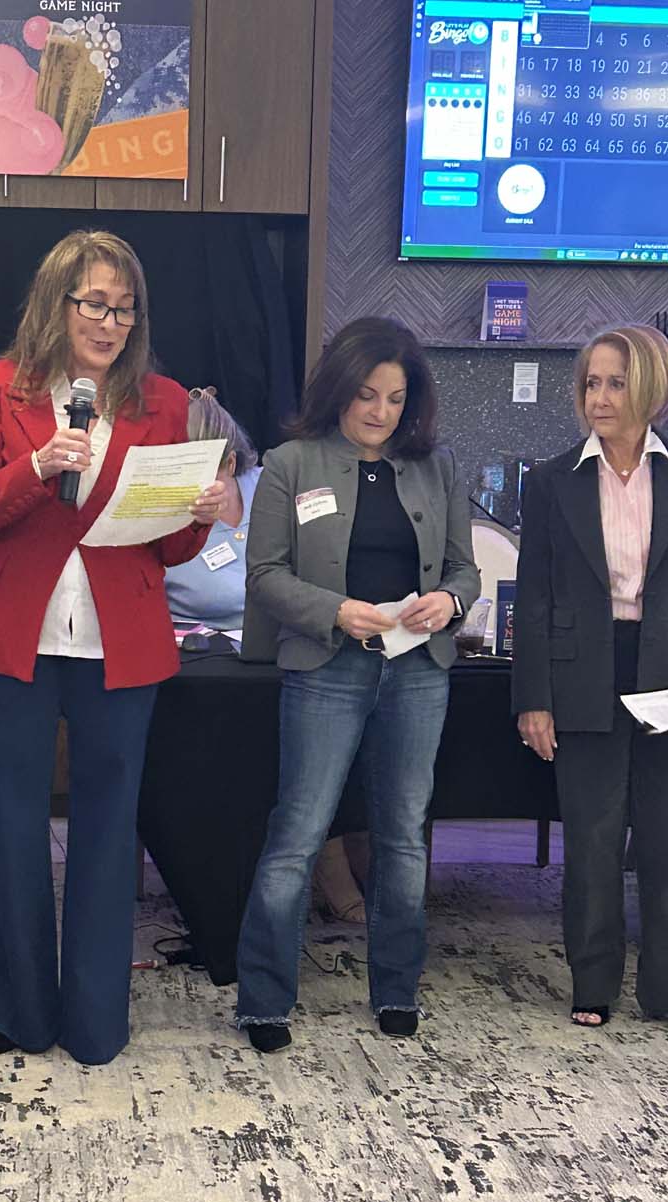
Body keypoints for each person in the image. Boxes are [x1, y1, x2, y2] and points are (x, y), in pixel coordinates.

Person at [0, 230, 227, 1067]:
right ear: (57, 303)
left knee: (108, 832)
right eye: (95, 305)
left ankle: (97, 1019)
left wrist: (200, 513)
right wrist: (36, 466)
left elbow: (170, 550)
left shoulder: (164, 402)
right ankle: (11, 1010)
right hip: (16, 638)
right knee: (11, 824)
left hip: (121, 643)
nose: (110, 324)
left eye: (124, 309)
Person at [234, 316, 480, 1052]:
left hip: (418, 670)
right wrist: (336, 611)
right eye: (368, 395)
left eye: (397, 399)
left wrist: (451, 601)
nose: (381, 412)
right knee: (298, 835)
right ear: (340, 389)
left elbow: (464, 569)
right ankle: (264, 999)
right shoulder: (290, 463)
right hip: (327, 667)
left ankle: (397, 988)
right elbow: (265, 575)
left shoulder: (438, 468)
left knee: (403, 836)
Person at [513, 324, 668, 1038]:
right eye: (591, 384)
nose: (599, 398)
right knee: (594, 839)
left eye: (615, 383)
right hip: (582, 670)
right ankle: (594, 983)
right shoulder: (552, 480)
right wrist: (533, 698)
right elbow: (534, 594)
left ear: (652, 389)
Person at [164, 386, 261, 632]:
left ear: (231, 463)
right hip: (202, 648)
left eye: (205, 472)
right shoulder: (160, 518)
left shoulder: (270, 486)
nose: (194, 485)